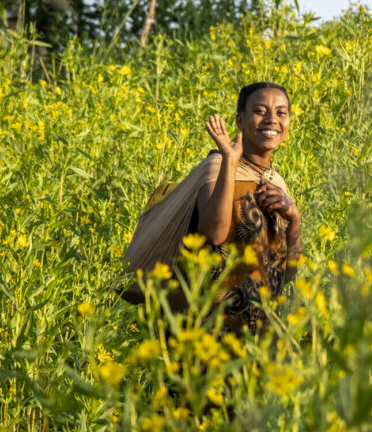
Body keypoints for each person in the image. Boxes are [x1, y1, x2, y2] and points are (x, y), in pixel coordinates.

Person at [121, 82, 301, 335]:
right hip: (206, 328)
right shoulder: (217, 168)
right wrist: (230, 159)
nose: (272, 120)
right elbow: (214, 234)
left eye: (281, 113)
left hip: (257, 331)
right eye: (260, 111)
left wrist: (294, 220)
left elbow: (287, 273)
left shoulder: (277, 182)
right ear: (240, 119)